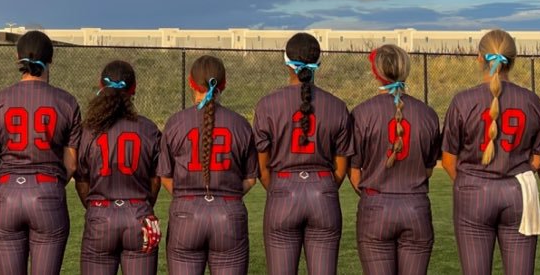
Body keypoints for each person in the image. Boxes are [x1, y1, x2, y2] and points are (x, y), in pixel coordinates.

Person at [441, 29, 540, 275]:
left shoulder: (462, 101)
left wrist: (472, 184)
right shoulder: (531, 100)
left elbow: (448, 160)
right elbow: (538, 158)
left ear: (480, 58)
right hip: (517, 191)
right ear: (512, 60)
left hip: (473, 191)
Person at [254, 33, 355, 275]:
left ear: (286, 61)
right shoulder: (337, 106)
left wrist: (280, 189)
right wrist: (322, 186)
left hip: (282, 189)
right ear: (318, 63)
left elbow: (262, 167)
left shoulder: (267, 105)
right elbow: (341, 168)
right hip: (323, 192)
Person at [0, 31, 83, 275]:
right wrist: (49, 185)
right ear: (51, 59)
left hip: (7, 193)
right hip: (47, 191)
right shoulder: (67, 102)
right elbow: (71, 164)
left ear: (17, 58)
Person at [158, 55, 260, 275]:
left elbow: (165, 177)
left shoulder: (175, 123)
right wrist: (227, 195)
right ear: (223, 84)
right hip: (228, 213)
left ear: (191, 83)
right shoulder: (241, 124)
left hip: (185, 213)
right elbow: (251, 178)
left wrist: (188, 197)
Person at [348, 44, 442, 275]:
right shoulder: (428, 114)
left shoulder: (361, 113)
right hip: (415, 206)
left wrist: (375, 196)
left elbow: (354, 174)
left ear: (376, 73)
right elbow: (428, 169)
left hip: (375, 206)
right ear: (406, 69)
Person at [73, 60, 163, 275]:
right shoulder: (149, 128)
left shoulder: (88, 130)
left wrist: (96, 208)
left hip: (100, 213)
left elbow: (81, 180)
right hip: (139, 214)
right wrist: (141, 206)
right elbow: (156, 179)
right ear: (133, 89)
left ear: (101, 86)